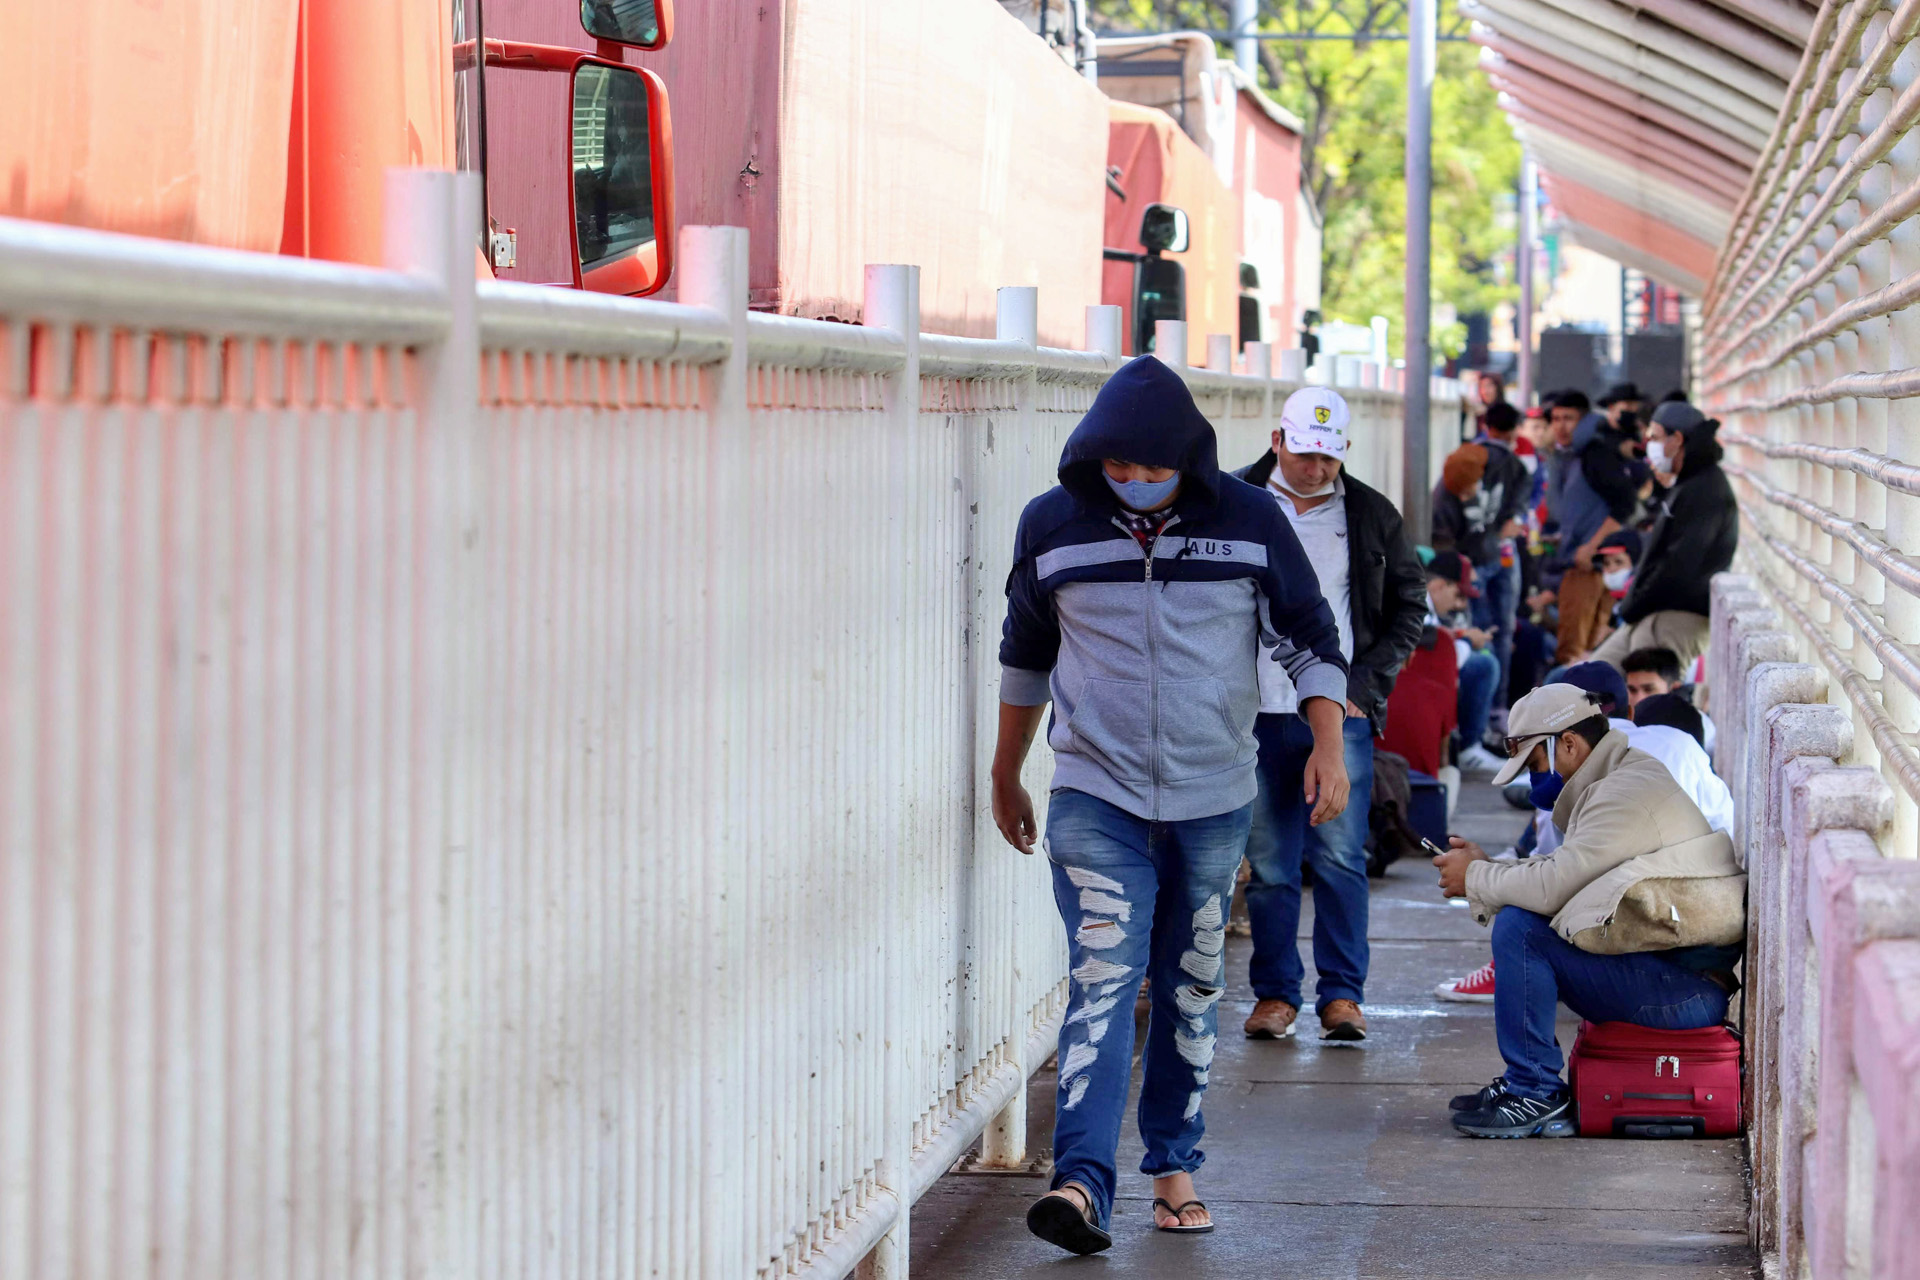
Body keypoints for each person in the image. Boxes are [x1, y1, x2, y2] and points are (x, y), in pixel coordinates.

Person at [993, 354, 1352, 1253]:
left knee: (1191, 989)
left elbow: (1311, 639)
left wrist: (1330, 746)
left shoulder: (1248, 518)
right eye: (1121, 471)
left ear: (1187, 462)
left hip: (1212, 798)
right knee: (1104, 982)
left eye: (1155, 473)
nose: (1138, 486)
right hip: (1094, 792)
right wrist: (1006, 770)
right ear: (1093, 460)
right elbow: (1025, 655)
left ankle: (1174, 1164)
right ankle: (1080, 1184)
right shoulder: (1054, 525)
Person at [1432, 683, 1746, 1137]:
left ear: (1569, 744)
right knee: (1525, 919)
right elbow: (1567, 872)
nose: (1536, 779)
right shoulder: (1616, 777)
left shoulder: (1624, 792)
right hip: (1674, 980)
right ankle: (1528, 1082)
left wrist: (1476, 878)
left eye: (1537, 764)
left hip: (1685, 993)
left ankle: (1534, 1091)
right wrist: (1489, 868)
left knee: (1521, 929)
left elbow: (1554, 886)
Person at [1236, 389, 1427, 1043]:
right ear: (1277, 439)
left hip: (1339, 713)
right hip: (1255, 709)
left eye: (1329, 457)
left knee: (1342, 856)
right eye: (1305, 453)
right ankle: (1275, 995)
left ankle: (1343, 996)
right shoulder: (1237, 501)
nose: (1316, 469)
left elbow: (1409, 606)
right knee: (1269, 863)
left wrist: (1365, 686)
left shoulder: (1369, 514)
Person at [1593, 402, 1738, 668]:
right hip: (1652, 612)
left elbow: (1678, 566)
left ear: (1677, 439)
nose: (1649, 444)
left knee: (1643, 700)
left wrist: (1634, 604)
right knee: (1588, 680)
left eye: (1655, 437)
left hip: (1674, 618)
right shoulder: (1688, 484)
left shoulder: (1704, 490)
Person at [1471, 401, 1531, 713]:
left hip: (1474, 556)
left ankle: (1482, 709)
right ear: (1513, 432)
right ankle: (1499, 709)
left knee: (1480, 629)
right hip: (1506, 552)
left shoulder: (1468, 457)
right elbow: (1523, 507)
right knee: (1504, 630)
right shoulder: (1517, 465)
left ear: (1486, 425)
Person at [1425, 551, 1504, 773]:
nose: (1460, 604)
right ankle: (1470, 746)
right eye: (1459, 595)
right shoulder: (1419, 600)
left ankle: (1475, 739)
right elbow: (1443, 661)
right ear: (1439, 585)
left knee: (1485, 653)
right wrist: (1468, 641)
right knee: (1484, 666)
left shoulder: (1427, 601)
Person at [1622, 646, 1718, 754]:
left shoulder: (1701, 725)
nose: (1639, 699)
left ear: (1673, 689)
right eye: (1632, 690)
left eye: (1649, 690)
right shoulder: (1619, 724)